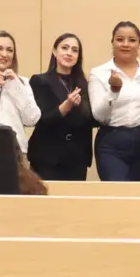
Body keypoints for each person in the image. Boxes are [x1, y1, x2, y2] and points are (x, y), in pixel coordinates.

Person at [88, 21, 140, 181]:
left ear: (139, 44)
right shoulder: (99, 73)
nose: (126, 44)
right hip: (112, 141)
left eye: (132, 40)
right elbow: (99, 116)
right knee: (116, 193)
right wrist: (113, 91)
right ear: (112, 42)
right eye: (120, 39)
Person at [28, 33, 97, 181]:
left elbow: (92, 119)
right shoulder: (40, 81)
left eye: (74, 50)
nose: (69, 53)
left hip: (77, 157)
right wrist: (67, 105)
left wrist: (79, 107)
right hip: (48, 156)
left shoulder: (84, 84)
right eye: (64, 48)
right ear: (55, 52)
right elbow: (41, 118)